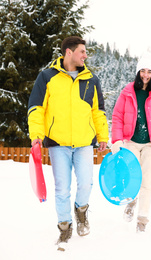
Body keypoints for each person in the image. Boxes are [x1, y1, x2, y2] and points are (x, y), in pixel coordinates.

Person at [28, 36, 109, 248]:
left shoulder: (91, 80)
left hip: (83, 142)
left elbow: (98, 111)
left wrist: (102, 136)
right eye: (82, 51)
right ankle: (64, 227)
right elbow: (37, 108)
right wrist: (36, 134)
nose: (85, 55)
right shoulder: (47, 77)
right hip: (58, 143)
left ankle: (81, 212)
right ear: (69, 52)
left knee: (85, 183)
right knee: (62, 188)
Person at [111, 52, 151, 232]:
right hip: (130, 141)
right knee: (131, 176)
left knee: (147, 180)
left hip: (150, 144)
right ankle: (131, 201)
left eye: (149, 72)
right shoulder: (127, 92)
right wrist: (116, 140)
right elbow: (117, 116)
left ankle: (142, 219)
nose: (146, 75)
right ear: (138, 72)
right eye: (143, 71)